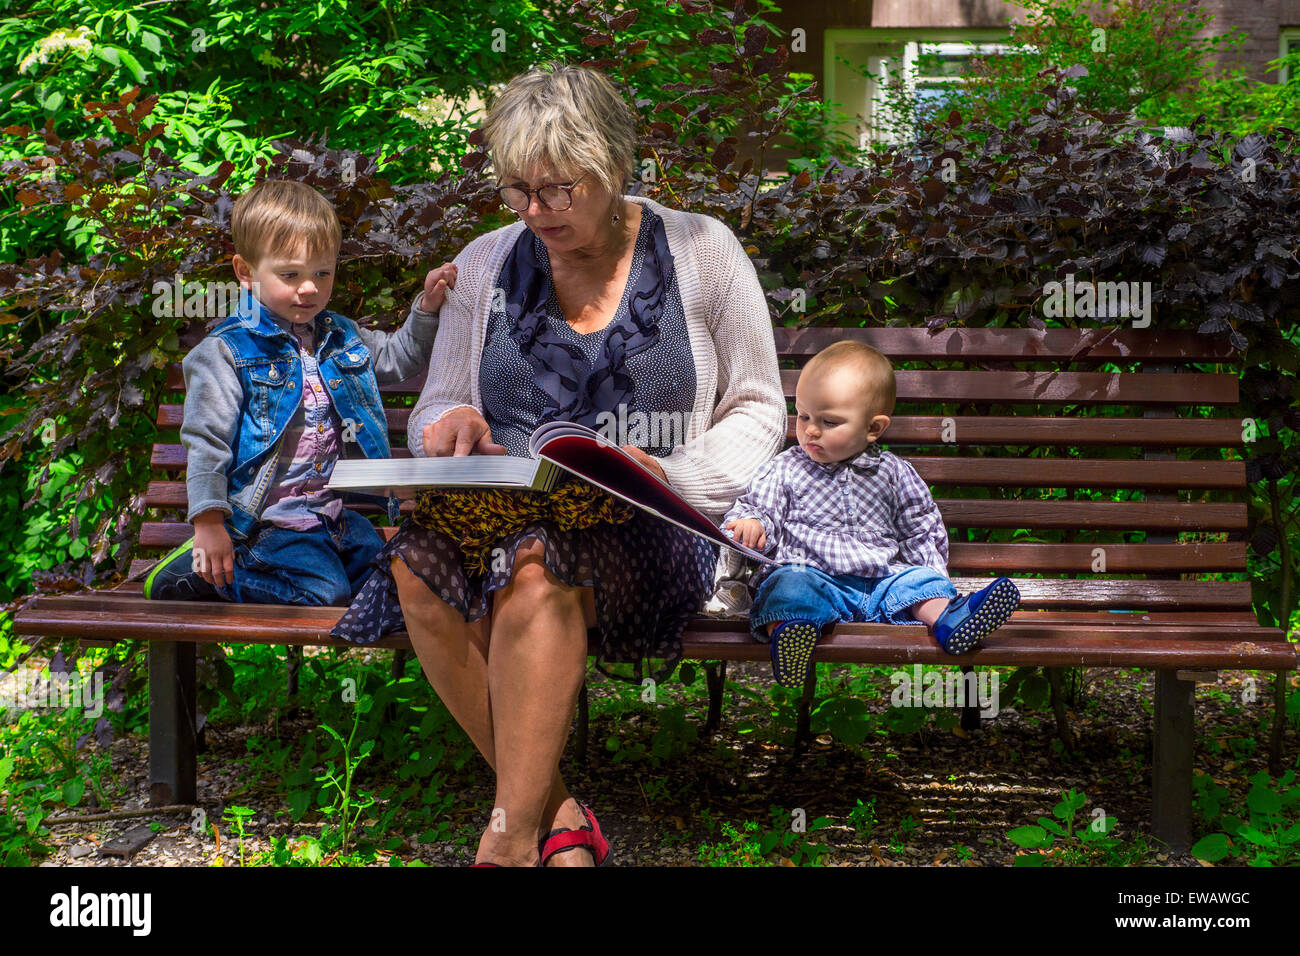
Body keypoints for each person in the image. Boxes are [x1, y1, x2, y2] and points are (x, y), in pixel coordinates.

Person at [328, 62, 787, 866]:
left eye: (557, 190)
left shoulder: (702, 249)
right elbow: (436, 404)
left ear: (612, 166)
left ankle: (506, 840)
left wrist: (671, 474)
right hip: (502, 509)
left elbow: (758, 407)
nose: (534, 211)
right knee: (416, 564)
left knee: (535, 569)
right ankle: (560, 815)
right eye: (516, 190)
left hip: (646, 523)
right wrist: (451, 424)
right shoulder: (485, 260)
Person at [145, 179, 456, 605]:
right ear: (246, 272)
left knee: (394, 580)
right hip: (265, 525)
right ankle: (199, 577)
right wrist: (208, 524)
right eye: (290, 274)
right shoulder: (227, 351)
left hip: (331, 518)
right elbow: (206, 442)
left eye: (322, 273)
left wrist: (426, 308)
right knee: (326, 593)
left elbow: (399, 358)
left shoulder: (341, 335)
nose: (309, 288)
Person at [722, 340, 1022, 687]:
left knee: (920, 582)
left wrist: (929, 573)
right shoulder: (786, 467)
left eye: (829, 421)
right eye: (803, 415)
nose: (810, 430)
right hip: (814, 578)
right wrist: (753, 524)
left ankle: (950, 618)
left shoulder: (894, 473)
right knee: (787, 586)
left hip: (882, 581)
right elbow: (761, 506)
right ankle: (790, 636)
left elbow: (920, 527)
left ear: (874, 428)